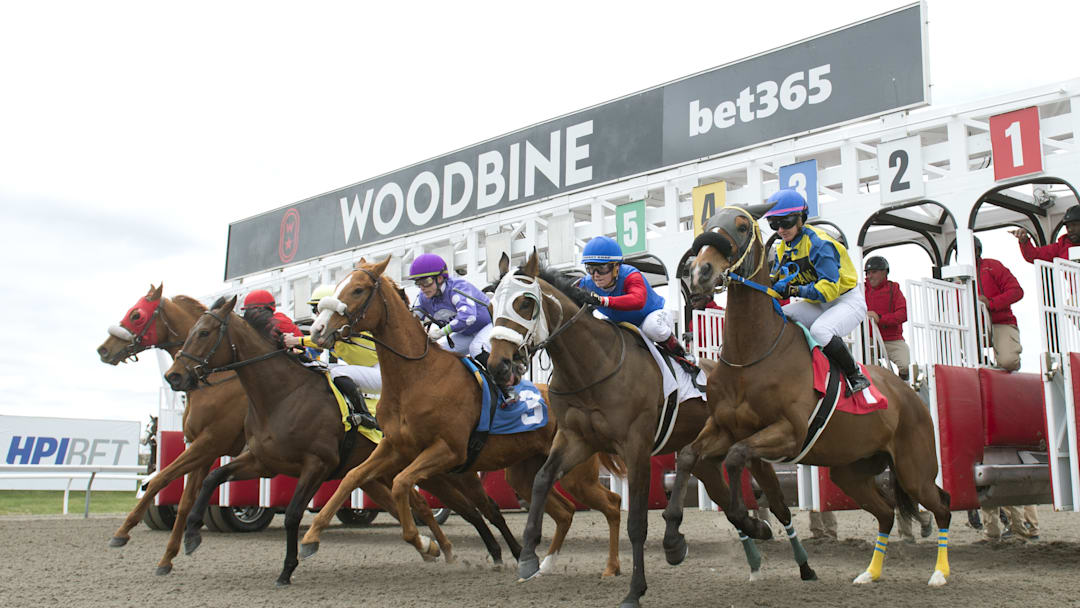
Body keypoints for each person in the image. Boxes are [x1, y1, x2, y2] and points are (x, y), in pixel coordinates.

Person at [764, 189, 869, 393]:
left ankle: (855, 374)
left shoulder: (819, 243)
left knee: (821, 330)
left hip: (847, 301)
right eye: (774, 224)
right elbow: (777, 285)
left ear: (801, 219)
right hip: (818, 304)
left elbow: (828, 290)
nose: (781, 230)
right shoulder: (780, 248)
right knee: (778, 316)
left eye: (786, 222)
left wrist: (794, 289)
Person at [576, 236, 688, 360]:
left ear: (616, 268)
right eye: (590, 268)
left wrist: (603, 301)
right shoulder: (585, 283)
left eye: (602, 268)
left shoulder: (631, 275)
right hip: (621, 323)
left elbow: (638, 301)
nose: (595, 275)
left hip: (652, 316)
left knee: (652, 328)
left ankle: (682, 356)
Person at [283, 285, 378, 429]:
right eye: (315, 310)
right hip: (368, 372)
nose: (317, 315)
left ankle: (365, 415)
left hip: (382, 373)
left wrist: (296, 340)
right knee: (320, 370)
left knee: (334, 372)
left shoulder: (348, 329)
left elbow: (321, 342)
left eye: (319, 310)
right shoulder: (337, 332)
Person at [408, 253, 494, 362]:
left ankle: (505, 378)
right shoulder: (423, 298)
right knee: (437, 352)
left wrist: (441, 332)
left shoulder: (457, 287)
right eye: (418, 283)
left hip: (489, 326)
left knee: (476, 349)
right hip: (466, 334)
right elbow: (411, 319)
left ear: (439, 278)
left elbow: (468, 317)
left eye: (426, 282)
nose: (423, 288)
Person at [974, 237, 1023, 372]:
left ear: (977, 250)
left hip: (1000, 322)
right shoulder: (957, 276)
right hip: (973, 327)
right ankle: (980, 360)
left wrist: (991, 303)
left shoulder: (993, 266)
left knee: (1008, 362)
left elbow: (1017, 292)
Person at [863, 256, 911, 382]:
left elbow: (904, 313)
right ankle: (884, 382)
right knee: (867, 368)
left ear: (884, 272)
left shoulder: (894, 289)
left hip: (892, 339)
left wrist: (880, 318)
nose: (869, 276)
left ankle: (903, 386)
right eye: (867, 273)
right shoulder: (861, 290)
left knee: (906, 366)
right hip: (870, 340)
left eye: (874, 272)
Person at [1011, 204, 1080, 262]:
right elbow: (1034, 255)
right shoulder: (1062, 245)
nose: (1070, 230)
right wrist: (1024, 241)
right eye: (1067, 226)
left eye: (1074, 225)